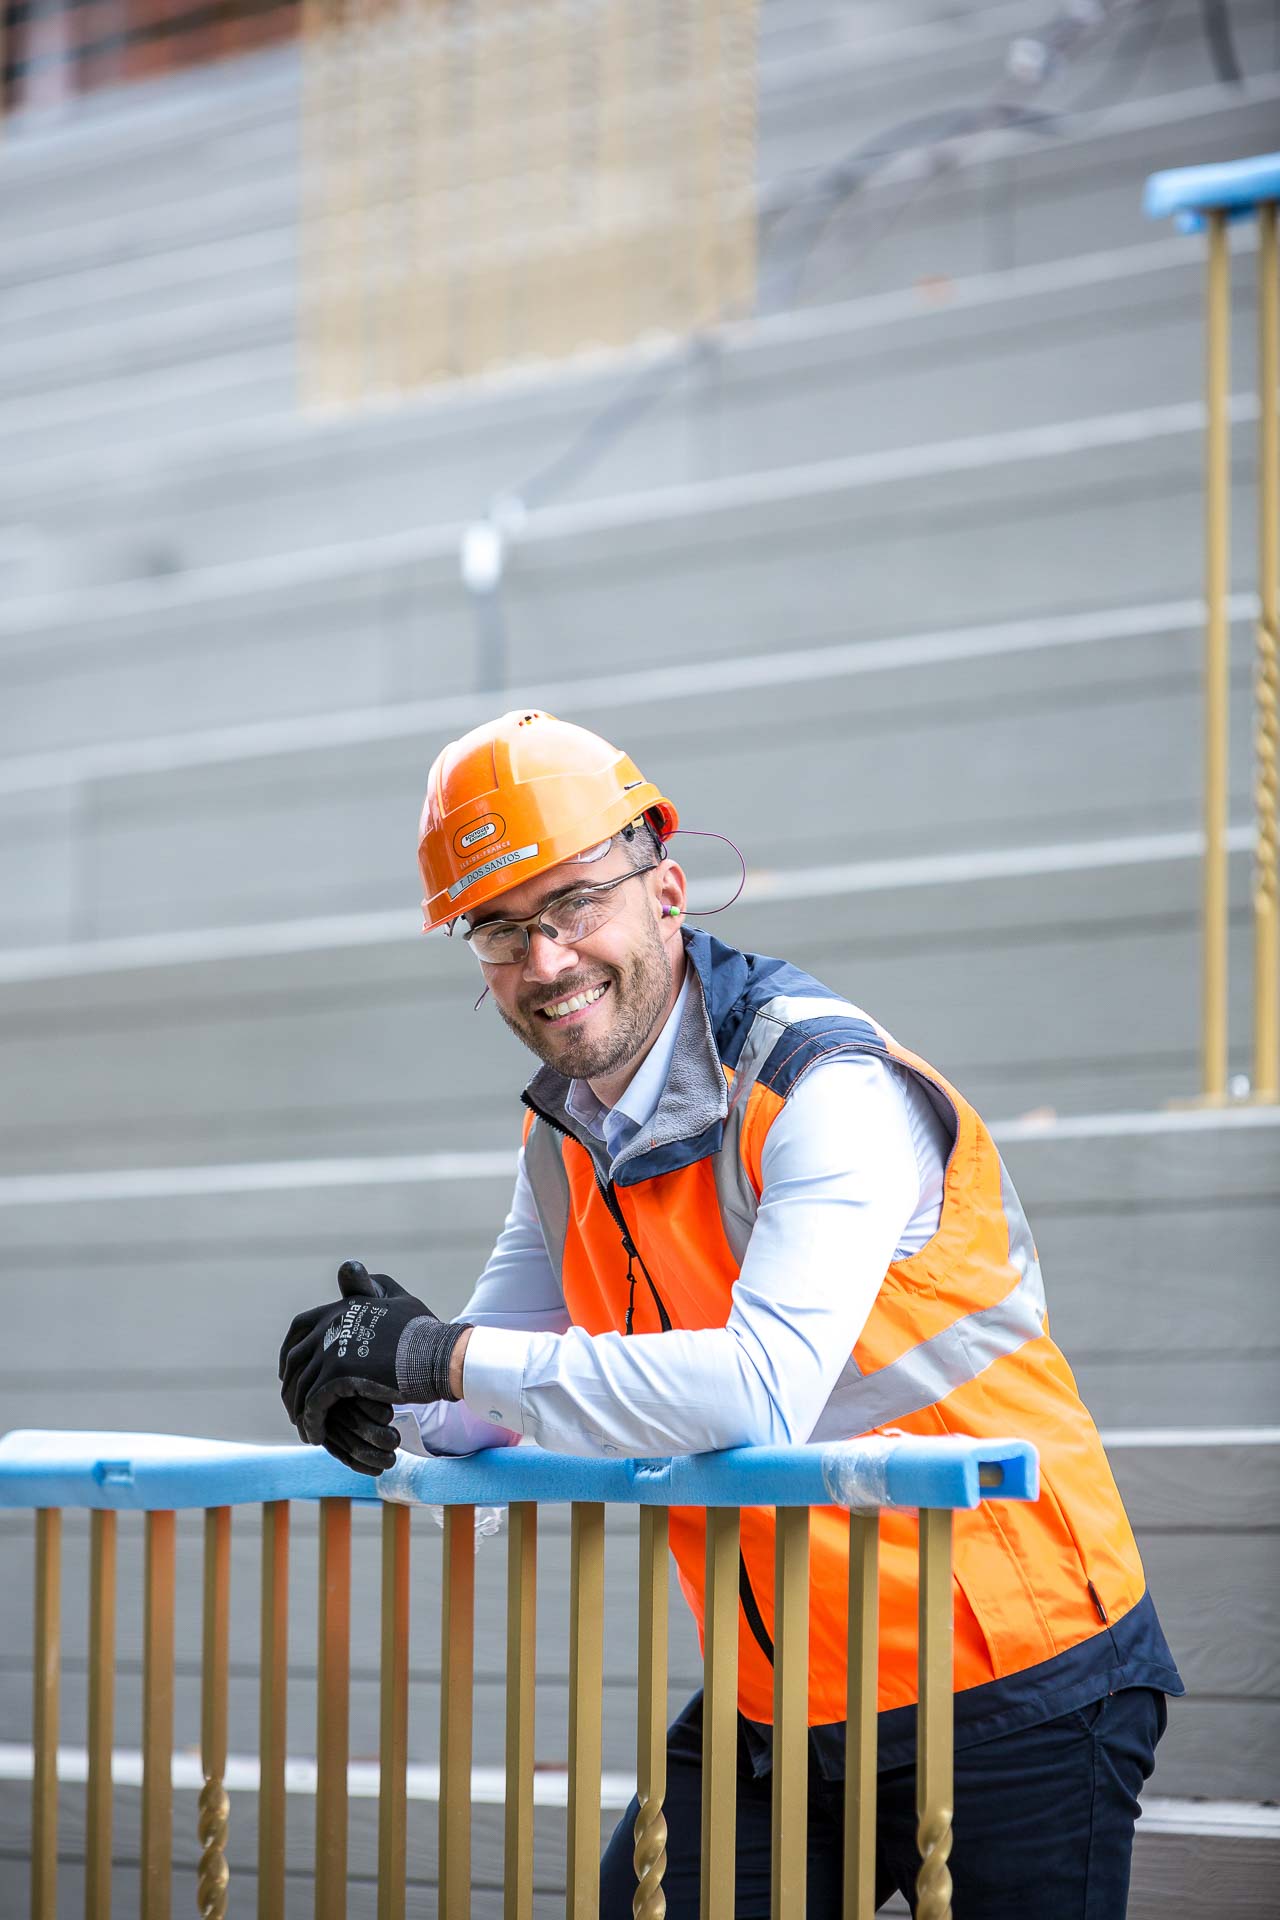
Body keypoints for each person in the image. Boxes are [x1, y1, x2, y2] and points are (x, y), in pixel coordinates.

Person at [279, 709, 1183, 1918]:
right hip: (782, 1694)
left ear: (666, 887)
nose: (543, 960)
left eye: (571, 906)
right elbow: (485, 1387)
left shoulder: (826, 1089)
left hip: (1010, 1672)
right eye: (495, 929)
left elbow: (757, 1388)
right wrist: (385, 1392)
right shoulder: (562, 1137)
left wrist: (439, 1357)